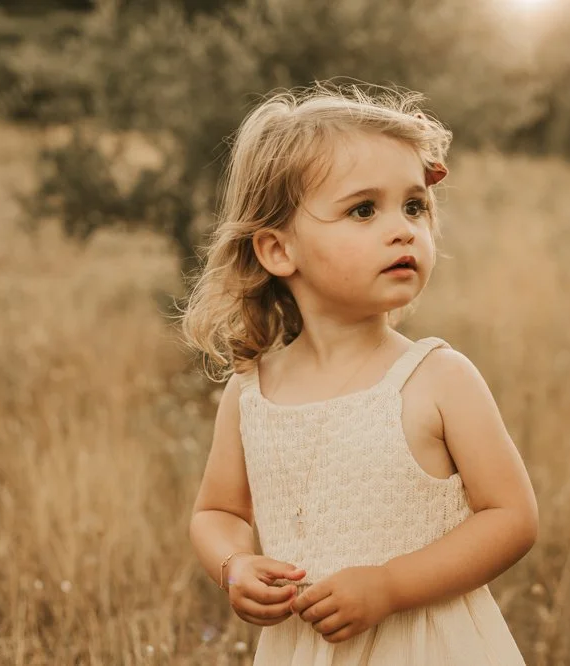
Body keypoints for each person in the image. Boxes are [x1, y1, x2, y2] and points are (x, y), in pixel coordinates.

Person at [184, 81, 538, 665]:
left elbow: (512, 518)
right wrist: (235, 564)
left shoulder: (437, 378)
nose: (403, 229)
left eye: (414, 206)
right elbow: (217, 511)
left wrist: (390, 585)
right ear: (278, 250)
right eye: (364, 210)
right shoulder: (251, 394)